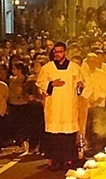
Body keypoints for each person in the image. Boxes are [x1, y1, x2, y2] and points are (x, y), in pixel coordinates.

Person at [36, 42, 84, 171]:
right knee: (55, 135)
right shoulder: (47, 68)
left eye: (60, 52)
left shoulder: (74, 68)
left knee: (68, 135)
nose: (57, 54)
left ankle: (68, 160)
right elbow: (40, 84)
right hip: (54, 107)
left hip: (68, 105)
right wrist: (51, 84)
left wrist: (80, 85)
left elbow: (80, 84)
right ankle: (55, 161)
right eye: (55, 52)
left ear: (65, 52)